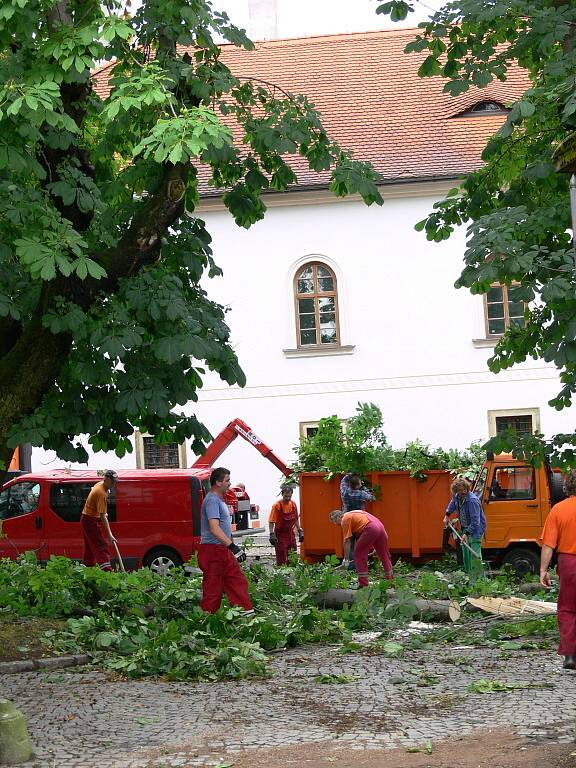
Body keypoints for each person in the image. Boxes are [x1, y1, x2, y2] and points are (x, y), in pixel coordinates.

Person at [197, 466, 254, 615]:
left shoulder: (219, 500)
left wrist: (231, 548)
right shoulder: (212, 501)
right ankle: (207, 621)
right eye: (227, 480)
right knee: (213, 589)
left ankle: (246, 614)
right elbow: (214, 528)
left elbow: (224, 527)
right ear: (218, 482)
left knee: (237, 580)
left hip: (221, 550)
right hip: (213, 551)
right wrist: (233, 547)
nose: (230, 483)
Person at [540, 469, 576, 670]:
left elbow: (548, 545)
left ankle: (570, 655)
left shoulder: (558, 509)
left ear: (567, 486)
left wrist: (543, 570)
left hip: (569, 563)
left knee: (568, 609)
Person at [329, 509, 393, 588]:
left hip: (370, 528)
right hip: (380, 526)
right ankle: (390, 580)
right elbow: (372, 527)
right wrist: (376, 547)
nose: (336, 524)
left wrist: (346, 559)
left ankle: (363, 584)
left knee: (359, 555)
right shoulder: (355, 513)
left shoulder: (344, 519)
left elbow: (347, 542)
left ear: (339, 517)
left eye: (334, 521)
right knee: (384, 554)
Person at [443, 477, 486, 576]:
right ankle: (468, 575)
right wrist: (447, 515)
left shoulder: (472, 501)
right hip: (465, 527)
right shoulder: (457, 497)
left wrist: (467, 534)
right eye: (460, 490)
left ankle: (478, 579)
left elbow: (476, 522)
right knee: (465, 553)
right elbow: (452, 505)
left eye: (464, 489)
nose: (463, 492)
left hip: (476, 529)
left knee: (474, 554)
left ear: (467, 488)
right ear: (456, 491)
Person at [81, 469, 118, 570]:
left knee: (89, 547)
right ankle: (107, 572)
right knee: (100, 545)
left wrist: (102, 512)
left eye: (115, 481)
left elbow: (100, 511)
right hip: (90, 520)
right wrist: (110, 535)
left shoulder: (100, 484)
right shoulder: (101, 493)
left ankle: (88, 569)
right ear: (106, 479)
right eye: (113, 481)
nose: (114, 484)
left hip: (87, 518)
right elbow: (103, 517)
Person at [268, 485, 304, 565]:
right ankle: (282, 574)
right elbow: (271, 521)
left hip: (290, 534)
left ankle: (293, 573)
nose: (288, 498)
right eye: (286, 496)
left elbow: (295, 519)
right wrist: (271, 534)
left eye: (289, 496)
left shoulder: (293, 505)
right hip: (280, 535)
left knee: (293, 556)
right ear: (282, 494)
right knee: (281, 557)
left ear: (291, 494)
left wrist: (299, 530)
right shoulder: (277, 506)